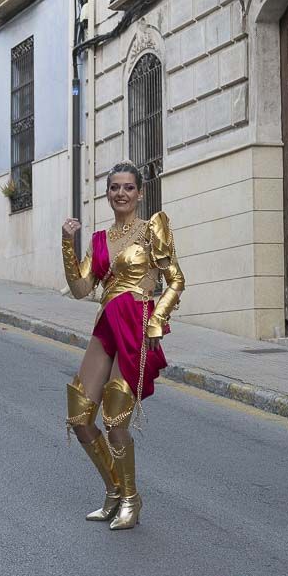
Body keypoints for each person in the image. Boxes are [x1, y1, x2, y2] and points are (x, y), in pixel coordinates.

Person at [60, 162, 185, 531]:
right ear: (107, 193)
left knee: (115, 418)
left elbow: (176, 280)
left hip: (135, 324)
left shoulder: (151, 230)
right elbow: (82, 289)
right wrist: (68, 245)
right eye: (114, 188)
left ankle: (132, 498)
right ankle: (114, 491)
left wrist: (156, 319)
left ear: (140, 193)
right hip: (106, 325)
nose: (121, 194)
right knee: (80, 415)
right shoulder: (99, 240)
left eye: (128, 188)